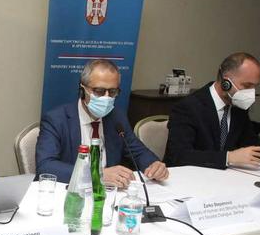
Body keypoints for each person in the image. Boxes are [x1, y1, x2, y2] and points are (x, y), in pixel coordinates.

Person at [36, 58, 169, 187]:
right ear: (82, 90)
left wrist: (154, 165)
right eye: (99, 91)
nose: (107, 97)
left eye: (112, 92)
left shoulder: (116, 117)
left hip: (109, 192)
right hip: (72, 192)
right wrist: (96, 175)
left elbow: (138, 152)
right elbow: (46, 166)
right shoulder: (56, 119)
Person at [164, 52, 260, 169]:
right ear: (226, 82)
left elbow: (251, 142)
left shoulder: (237, 106)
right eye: (247, 86)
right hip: (191, 181)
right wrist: (229, 157)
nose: (251, 92)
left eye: (254, 86)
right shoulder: (188, 107)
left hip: (226, 180)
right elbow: (178, 155)